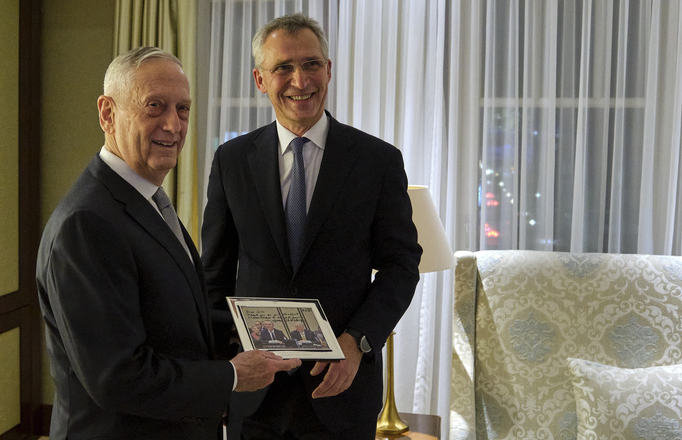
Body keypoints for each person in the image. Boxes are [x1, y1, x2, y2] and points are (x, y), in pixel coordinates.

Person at [36, 46, 300, 440]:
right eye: (154, 106)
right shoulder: (87, 223)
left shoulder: (147, 200)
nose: (173, 125)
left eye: (183, 109)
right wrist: (232, 375)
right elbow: (118, 378)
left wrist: (254, 330)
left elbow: (172, 315)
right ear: (107, 113)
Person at [201, 13, 422, 439]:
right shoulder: (231, 161)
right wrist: (227, 362)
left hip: (340, 389)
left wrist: (357, 340)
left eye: (311, 64)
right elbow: (215, 275)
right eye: (283, 67)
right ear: (260, 80)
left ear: (329, 70)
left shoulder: (377, 161)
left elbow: (401, 265)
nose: (300, 81)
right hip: (255, 392)